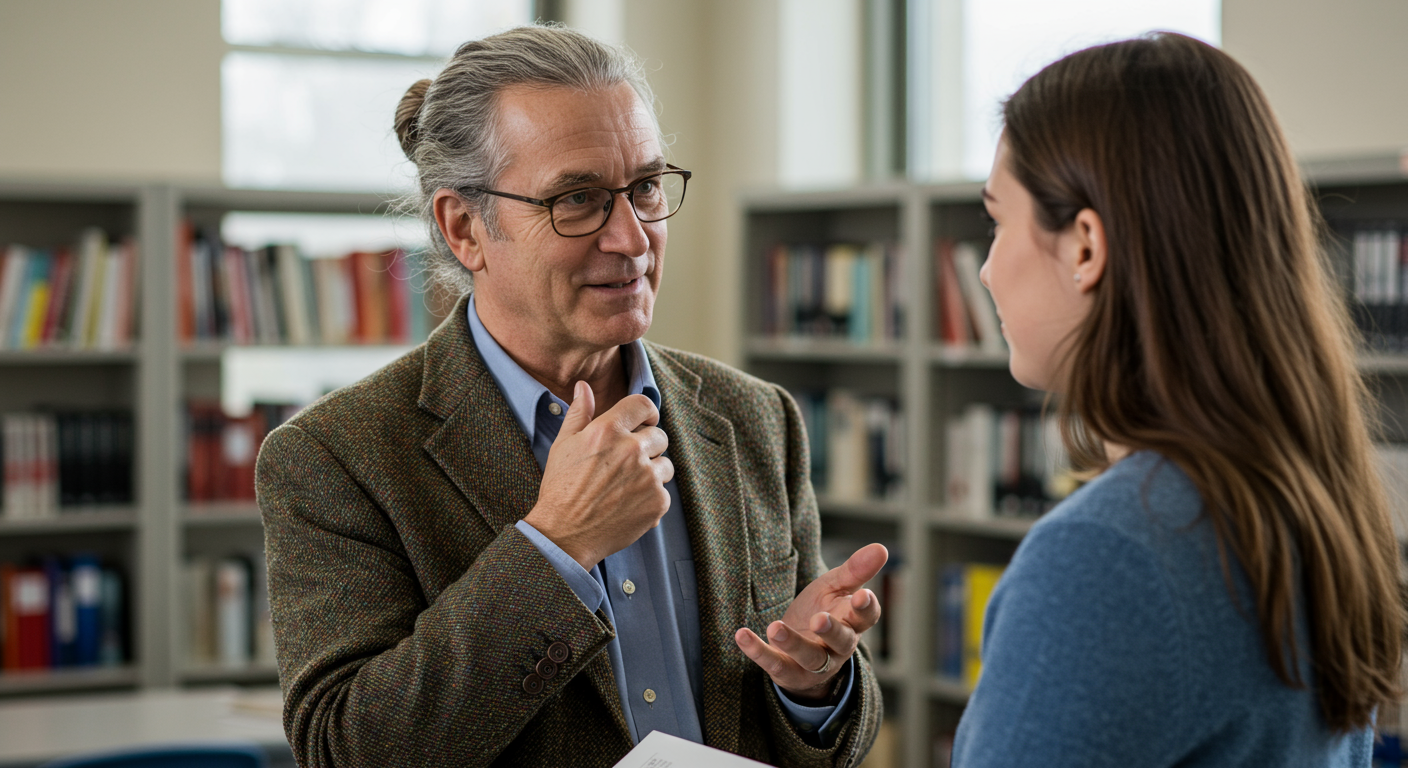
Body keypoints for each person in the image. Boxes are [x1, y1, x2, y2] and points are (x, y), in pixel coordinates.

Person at [255, 24, 885, 768]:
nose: (633, 237)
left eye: (646, 187)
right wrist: (556, 546)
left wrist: (813, 688)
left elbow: (821, 731)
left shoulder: (754, 418)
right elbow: (346, 750)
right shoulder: (335, 458)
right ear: (465, 229)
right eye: (578, 199)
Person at [951, 32, 1404, 767]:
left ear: (1085, 248)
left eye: (999, 223)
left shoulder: (1107, 554)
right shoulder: (1312, 496)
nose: (987, 270)